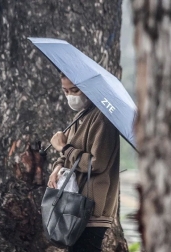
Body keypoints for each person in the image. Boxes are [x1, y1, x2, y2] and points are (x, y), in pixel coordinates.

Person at [47, 74, 120, 252]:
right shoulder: (80, 116)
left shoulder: (102, 119)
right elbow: (68, 156)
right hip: (73, 203)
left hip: (93, 208)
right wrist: (57, 167)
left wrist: (64, 148)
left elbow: (96, 163)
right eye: (65, 91)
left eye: (74, 90)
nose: (70, 96)